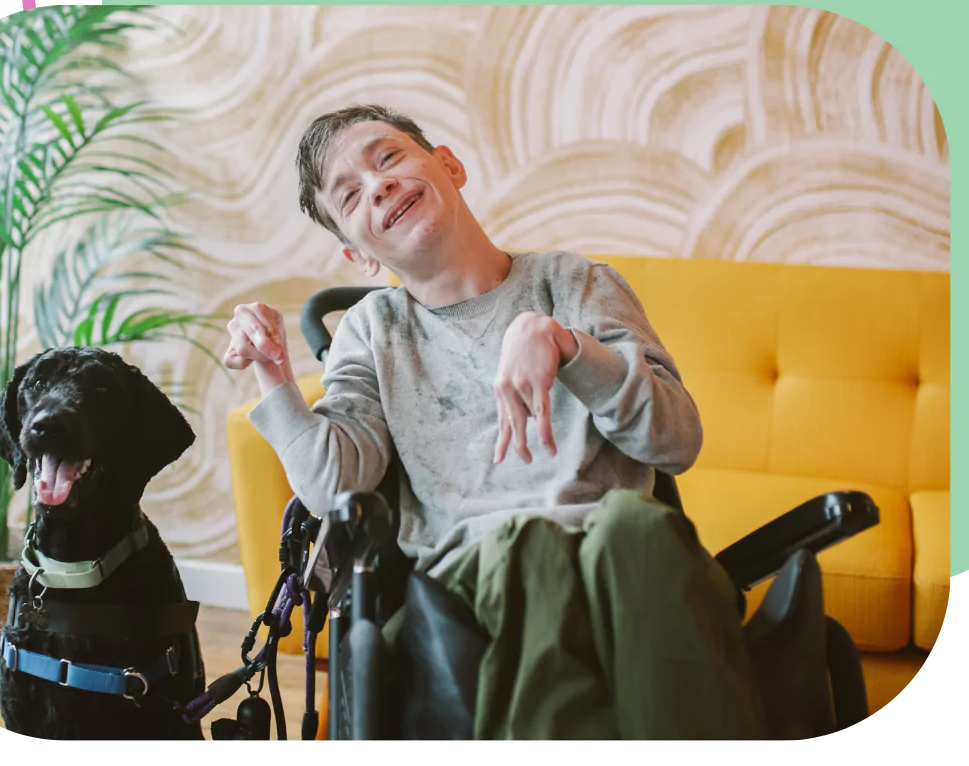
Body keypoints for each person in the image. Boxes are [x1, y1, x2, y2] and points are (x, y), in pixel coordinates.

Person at [223, 104, 766, 741]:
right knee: (537, 551)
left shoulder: (575, 284)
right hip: (474, 572)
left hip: (614, 545)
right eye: (351, 195)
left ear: (449, 166)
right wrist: (273, 375)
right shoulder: (372, 332)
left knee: (638, 527)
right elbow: (333, 486)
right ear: (358, 254)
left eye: (388, 157)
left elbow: (676, 442)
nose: (379, 185)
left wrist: (567, 346)